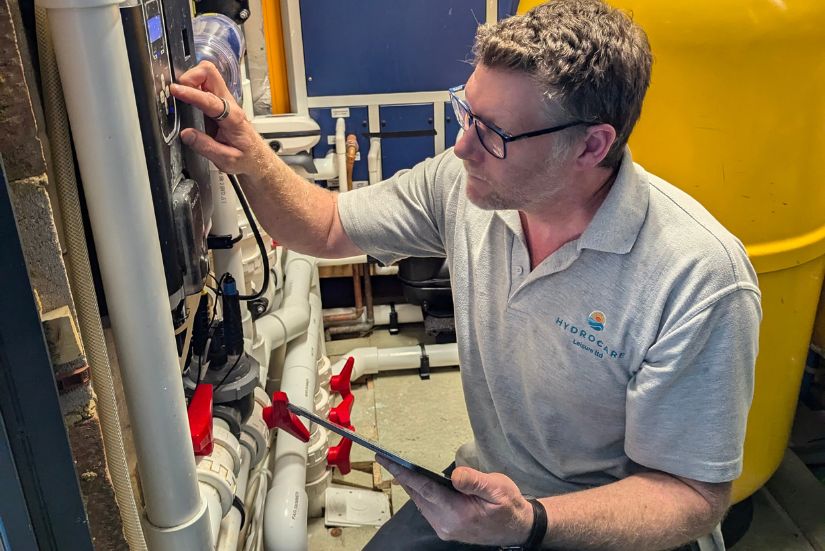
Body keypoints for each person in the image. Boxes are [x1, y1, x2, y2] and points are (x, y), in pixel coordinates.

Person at [170, 0, 761, 549]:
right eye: (466, 111)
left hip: (611, 529)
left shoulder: (697, 278)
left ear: (591, 146)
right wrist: (250, 152)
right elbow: (325, 227)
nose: (462, 148)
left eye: (495, 133)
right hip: (495, 489)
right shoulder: (470, 189)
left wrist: (532, 523)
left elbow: (692, 496)